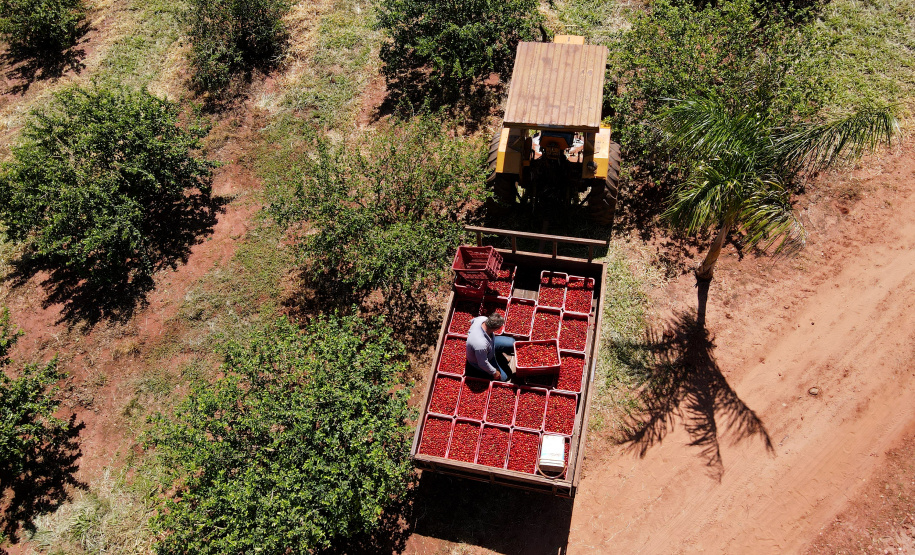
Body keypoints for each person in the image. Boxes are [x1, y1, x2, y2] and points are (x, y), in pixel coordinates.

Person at [465, 313, 516, 381]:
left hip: (490, 345)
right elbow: (482, 363)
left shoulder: (482, 319)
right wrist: (494, 372)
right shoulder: (481, 344)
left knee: (512, 343)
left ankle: (497, 356)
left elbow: (472, 321)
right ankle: (484, 373)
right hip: (481, 360)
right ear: (496, 328)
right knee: (505, 377)